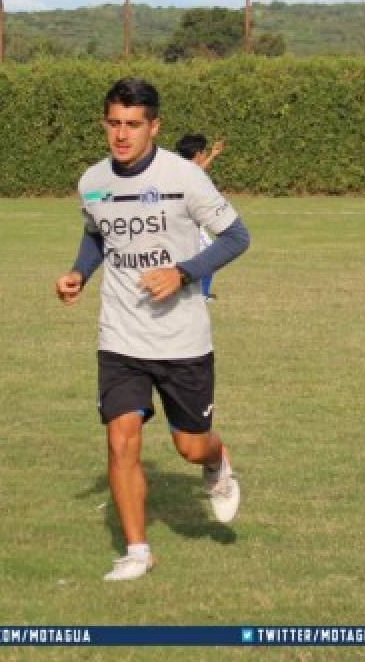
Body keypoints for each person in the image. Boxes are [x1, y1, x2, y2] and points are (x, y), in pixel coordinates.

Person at [54, 78, 250, 582]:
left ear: (154, 127)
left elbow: (236, 236)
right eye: (114, 123)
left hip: (182, 340)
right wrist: (79, 272)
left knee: (190, 445)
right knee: (121, 441)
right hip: (119, 336)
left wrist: (181, 272)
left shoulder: (185, 177)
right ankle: (137, 550)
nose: (122, 135)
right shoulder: (92, 180)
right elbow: (98, 234)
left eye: (133, 125)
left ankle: (217, 463)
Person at [174, 133, 226, 300]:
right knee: (211, 256)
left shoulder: (178, 166)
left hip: (182, 222)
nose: (204, 154)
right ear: (197, 154)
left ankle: (197, 292)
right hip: (189, 223)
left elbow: (198, 170)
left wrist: (212, 155)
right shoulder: (187, 171)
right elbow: (197, 172)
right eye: (203, 152)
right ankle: (200, 294)